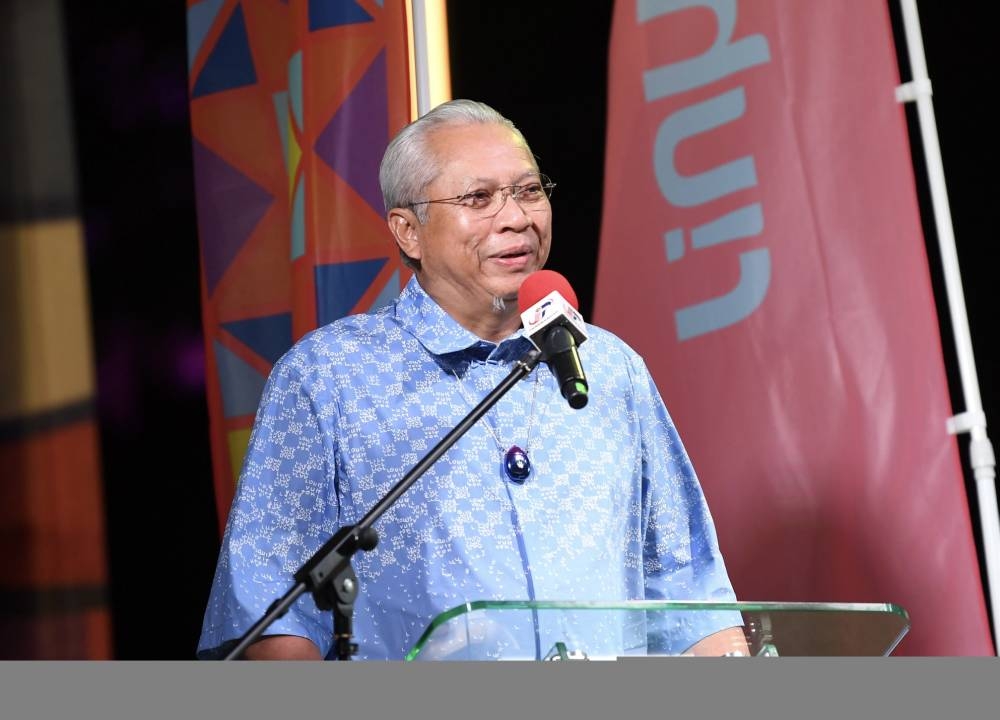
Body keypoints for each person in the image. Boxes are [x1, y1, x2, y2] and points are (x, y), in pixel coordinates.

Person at [197, 99, 746, 660]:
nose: (516, 218)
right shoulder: (329, 377)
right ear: (408, 231)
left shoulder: (609, 367)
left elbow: (690, 593)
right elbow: (271, 612)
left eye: (529, 191)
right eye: (478, 199)